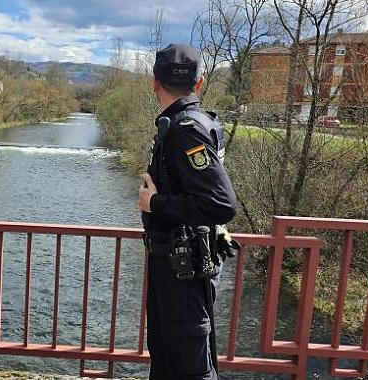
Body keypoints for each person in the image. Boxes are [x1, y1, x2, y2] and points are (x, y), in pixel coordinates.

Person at [137, 43, 238, 380]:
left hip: (185, 270)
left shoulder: (186, 129)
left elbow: (221, 203)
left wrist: (155, 204)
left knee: (190, 366)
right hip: (175, 263)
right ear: (200, 82)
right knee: (167, 358)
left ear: (154, 82)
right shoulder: (182, 124)